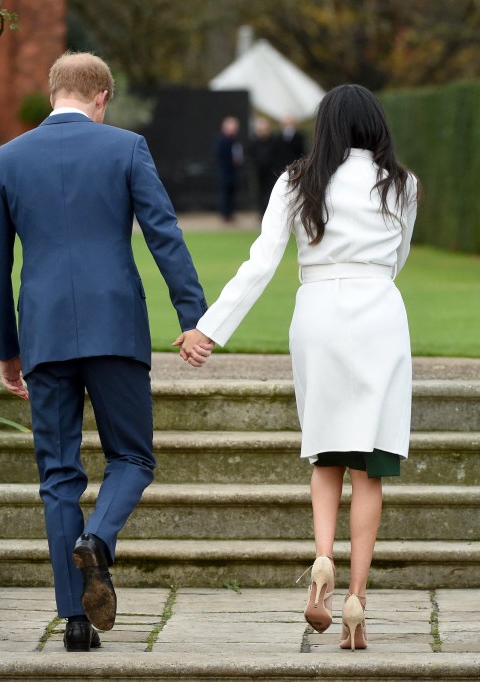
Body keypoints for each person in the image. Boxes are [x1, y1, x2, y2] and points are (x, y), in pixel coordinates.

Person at [0, 52, 211, 653]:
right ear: (102, 97)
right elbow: (165, 233)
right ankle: (100, 541)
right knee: (132, 458)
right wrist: (192, 316)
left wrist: (7, 349)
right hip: (115, 329)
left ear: (54, 92)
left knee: (58, 474)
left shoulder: (5, 160)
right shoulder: (126, 148)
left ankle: (75, 622)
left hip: (45, 336)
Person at [179, 84, 418, 652]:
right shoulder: (403, 184)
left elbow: (260, 263)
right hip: (380, 313)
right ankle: (357, 598)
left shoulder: (296, 180)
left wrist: (208, 329)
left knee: (326, 453)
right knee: (370, 467)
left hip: (317, 316)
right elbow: (399, 258)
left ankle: (320, 562)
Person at [248, 117, 280, 217]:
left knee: (272, 193)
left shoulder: (274, 141)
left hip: (272, 172)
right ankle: (262, 213)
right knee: (260, 194)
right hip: (259, 172)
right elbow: (250, 156)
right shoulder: (254, 142)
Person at [214, 115, 243, 222]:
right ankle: (225, 214)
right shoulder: (221, 139)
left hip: (233, 172)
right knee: (225, 193)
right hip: (225, 171)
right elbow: (220, 155)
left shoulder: (235, 140)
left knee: (232, 192)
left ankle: (231, 213)